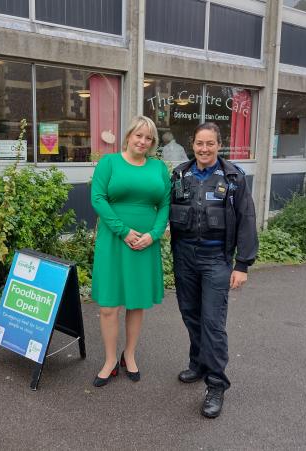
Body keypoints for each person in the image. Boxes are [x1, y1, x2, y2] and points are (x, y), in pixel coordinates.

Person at [169, 122, 258, 418]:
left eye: (210, 143)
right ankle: (198, 363)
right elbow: (162, 208)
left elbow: (246, 218)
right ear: (192, 144)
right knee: (190, 315)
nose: (204, 149)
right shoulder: (180, 174)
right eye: (199, 143)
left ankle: (216, 383)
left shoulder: (233, 177)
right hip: (184, 258)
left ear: (219, 145)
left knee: (212, 323)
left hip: (216, 259)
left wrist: (242, 264)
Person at [90, 115, 171, 387]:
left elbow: (165, 206)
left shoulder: (158, 168)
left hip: (144, 244)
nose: (143, 141)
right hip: (114, 241)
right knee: (109, 306)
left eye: (149, 138)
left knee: (136, 303)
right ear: (128, 136)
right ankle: (110, 359)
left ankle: (130, 354)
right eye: (139, 135)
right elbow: (98, 198)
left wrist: (154, 235)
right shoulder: (109, 162)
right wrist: (123, 230)